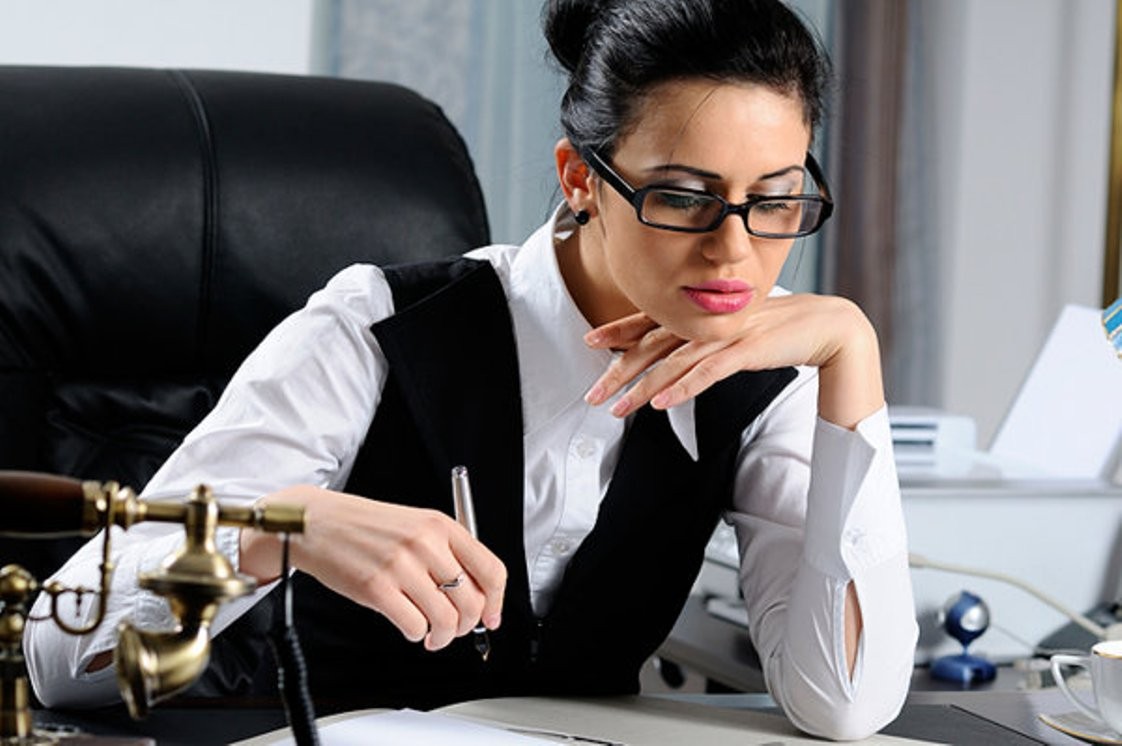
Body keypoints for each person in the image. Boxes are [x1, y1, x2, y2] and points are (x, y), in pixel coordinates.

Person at [25, 0, 918, 739]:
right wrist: (274, 532)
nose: (735, 251)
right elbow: (58, 659)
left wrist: (853, 354)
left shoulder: (771, 372)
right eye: (683, 197)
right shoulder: (375, 326)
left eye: (776, 200)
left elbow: (843, 706)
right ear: (580, 178)